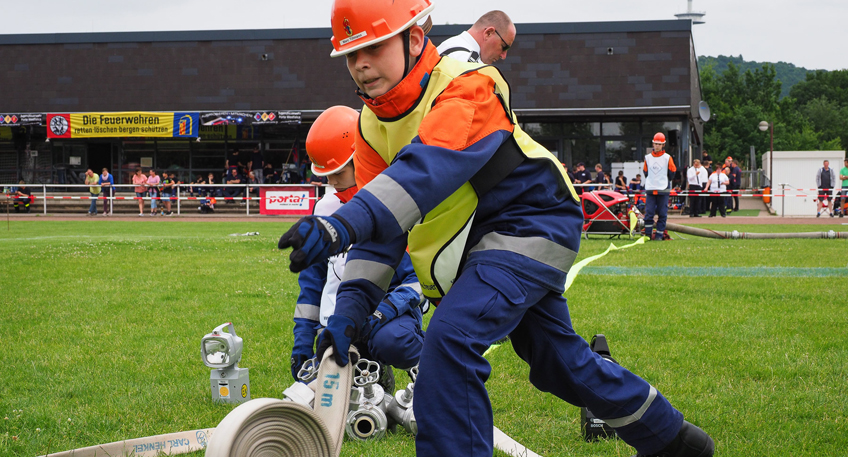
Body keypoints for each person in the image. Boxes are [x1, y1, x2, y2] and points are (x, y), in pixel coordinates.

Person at [278, 1, 713, 456]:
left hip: (530, 223)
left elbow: (423, 171)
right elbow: (382, 235)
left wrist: (337, 226)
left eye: (373, 47)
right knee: (557, 362)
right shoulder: (370, 126)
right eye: (351, 54)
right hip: (480, 245)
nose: (360, 65)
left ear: (413, 38)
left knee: (449, 343)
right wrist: (348, 313)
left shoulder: (468, 85)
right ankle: (676, 442)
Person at [290, 106, 424, 392]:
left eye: (338, 171)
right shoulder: (323, 211)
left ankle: (427, 370)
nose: (332, 182)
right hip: (337, 324)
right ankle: (373, 376)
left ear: (362, 155)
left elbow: (417, 282)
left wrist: (381, 314)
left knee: (393, 342)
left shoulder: (397, 205)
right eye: (326, 174)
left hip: (388, 320)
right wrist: (303, 340)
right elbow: (312, 284)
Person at [436, 10, 514, 64]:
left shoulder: (448, 46)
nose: (503, 56)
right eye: (504, 47)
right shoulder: (466, 63)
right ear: (488, 33)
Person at [642, 133, 677, 240]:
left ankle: (659, 235)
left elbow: (672, 171)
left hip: (663, 190)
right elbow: (645, 172)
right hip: (651, 190)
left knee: (662, 214)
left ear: (663, 145)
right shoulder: (647, 158)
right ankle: (647, 235)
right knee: (649, 213)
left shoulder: (667, 158)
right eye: (655, 144)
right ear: (653, 144)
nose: (657, 146)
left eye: (659, 144)